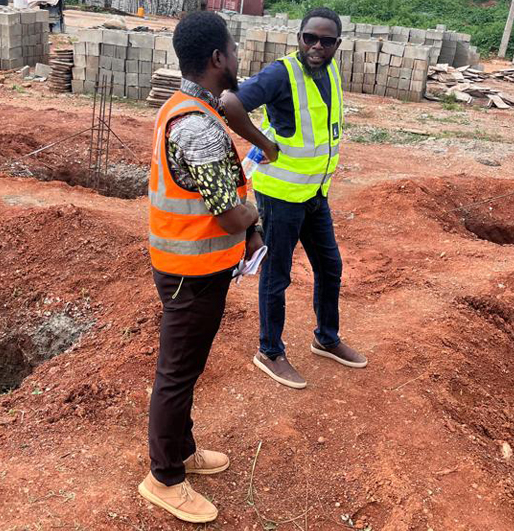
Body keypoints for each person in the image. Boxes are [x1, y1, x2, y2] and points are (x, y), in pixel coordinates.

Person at [139, 11, 263, 524]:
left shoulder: (186, 108)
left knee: (184, 369)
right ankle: (164, 477)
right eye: (233, 50)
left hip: (191, 268)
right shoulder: (197, 126)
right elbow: (229, 212)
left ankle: (182, 449)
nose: (237, 58)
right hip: (190, 275)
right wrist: (255, 215)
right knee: (176, 373)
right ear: (217, 58)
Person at [222, 7, 368, 390]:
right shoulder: (281, 73)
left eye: (326, 41)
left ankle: (326, 338)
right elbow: (230, 103)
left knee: (330, 267)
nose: (317, 46)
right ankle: (270, 351)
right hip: (281, 196)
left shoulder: (330, 71)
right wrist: (264, 143)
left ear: (337, 44)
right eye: (310, 38)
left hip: (315, 193)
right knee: (277, 275)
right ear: (299, 38)